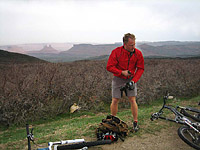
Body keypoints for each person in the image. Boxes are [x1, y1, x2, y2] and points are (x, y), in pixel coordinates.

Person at [106, 33, 144, 132]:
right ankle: (112, 121)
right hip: (118, 78)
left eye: (134, 44)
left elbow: (140, 69)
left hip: (131, 79)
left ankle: (135, 122)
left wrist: (133, 81)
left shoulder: (138, 53)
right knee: (115, 100)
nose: (133, 47)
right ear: (125, 44)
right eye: (131, 45)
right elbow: (109, 66)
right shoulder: (116, 52)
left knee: (132, 99)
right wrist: (121, 72)